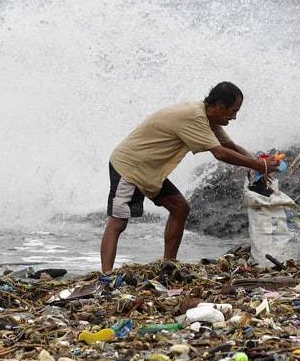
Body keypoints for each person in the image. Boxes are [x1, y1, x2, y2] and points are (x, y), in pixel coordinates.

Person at [100, 82, 280, 272]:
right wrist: (258, 165)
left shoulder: (207, 118)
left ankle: (168, 266)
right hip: (130, 166)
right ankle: (106, 276)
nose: (234, 117)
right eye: (233, 111)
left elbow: (231, 147)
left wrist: (259, 165)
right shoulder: (194, 116)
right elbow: (220, 153)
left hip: (151, 171)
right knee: (118, 222)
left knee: (180, 208)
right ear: (219, 105)